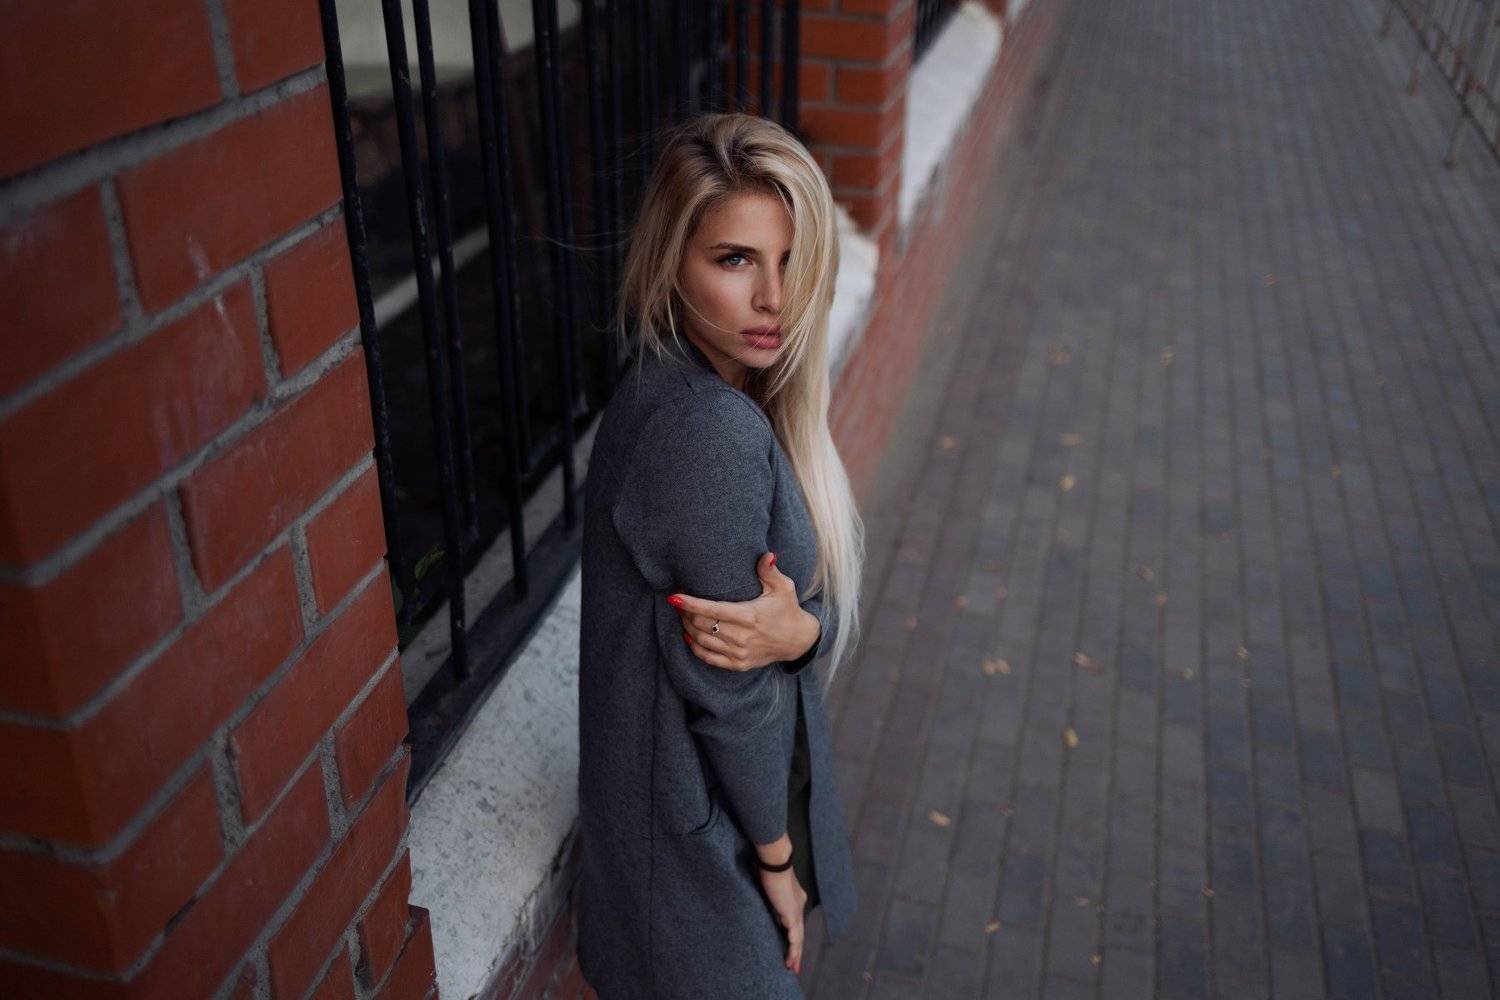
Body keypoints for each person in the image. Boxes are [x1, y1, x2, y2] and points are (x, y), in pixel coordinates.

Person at [576, 111, 865, 998]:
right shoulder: (708, 431)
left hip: (688, 837)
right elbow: (730, 692)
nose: (774, 298)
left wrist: (803, 634)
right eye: (736, 260)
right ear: (672, 262)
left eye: (790, 261)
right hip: (698, 861)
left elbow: (782, 622)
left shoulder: (694, 392)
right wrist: (777, 860)